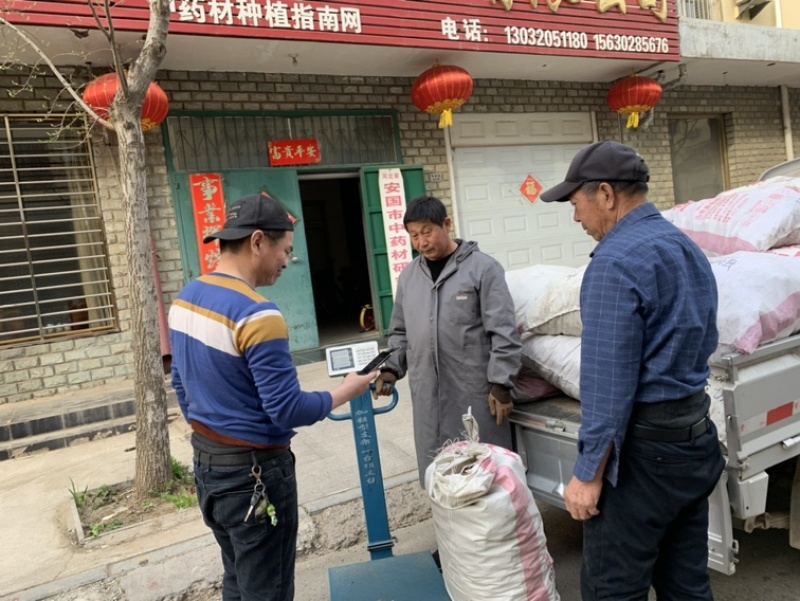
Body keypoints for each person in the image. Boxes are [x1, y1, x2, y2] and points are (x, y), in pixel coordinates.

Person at [169, 192, 376, 601]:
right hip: (255, 475)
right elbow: (286, 410)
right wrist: (345, 391)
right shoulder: (257, 313)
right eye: (286, 250)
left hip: (209, 468)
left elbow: (180, 383)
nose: (287, 261)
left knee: (239, 579)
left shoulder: (186, 299)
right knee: (269, 590)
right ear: (258, 241)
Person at [540, 141, 725, 600]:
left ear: (605, 194)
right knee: (686, 583)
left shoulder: (614, 262)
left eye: (575, 203)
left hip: (644, 460)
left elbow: (607, 385)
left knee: (612, 590)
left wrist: (587, 475)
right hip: (693, 442)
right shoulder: (684, 246)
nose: (575, 216)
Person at [373, 195, 522, 484]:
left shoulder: (483, 269)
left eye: (427, 232)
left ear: (447, 224)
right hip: (428, 397)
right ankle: (448, 527)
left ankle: (492, 529)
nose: (421, 242)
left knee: (484, 475)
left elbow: (503, 330)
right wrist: (391, 369)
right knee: (438, 474)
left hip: (476, 395)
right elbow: (401, 332)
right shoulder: (408, 278)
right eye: (414, 236)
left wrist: (502, 383)